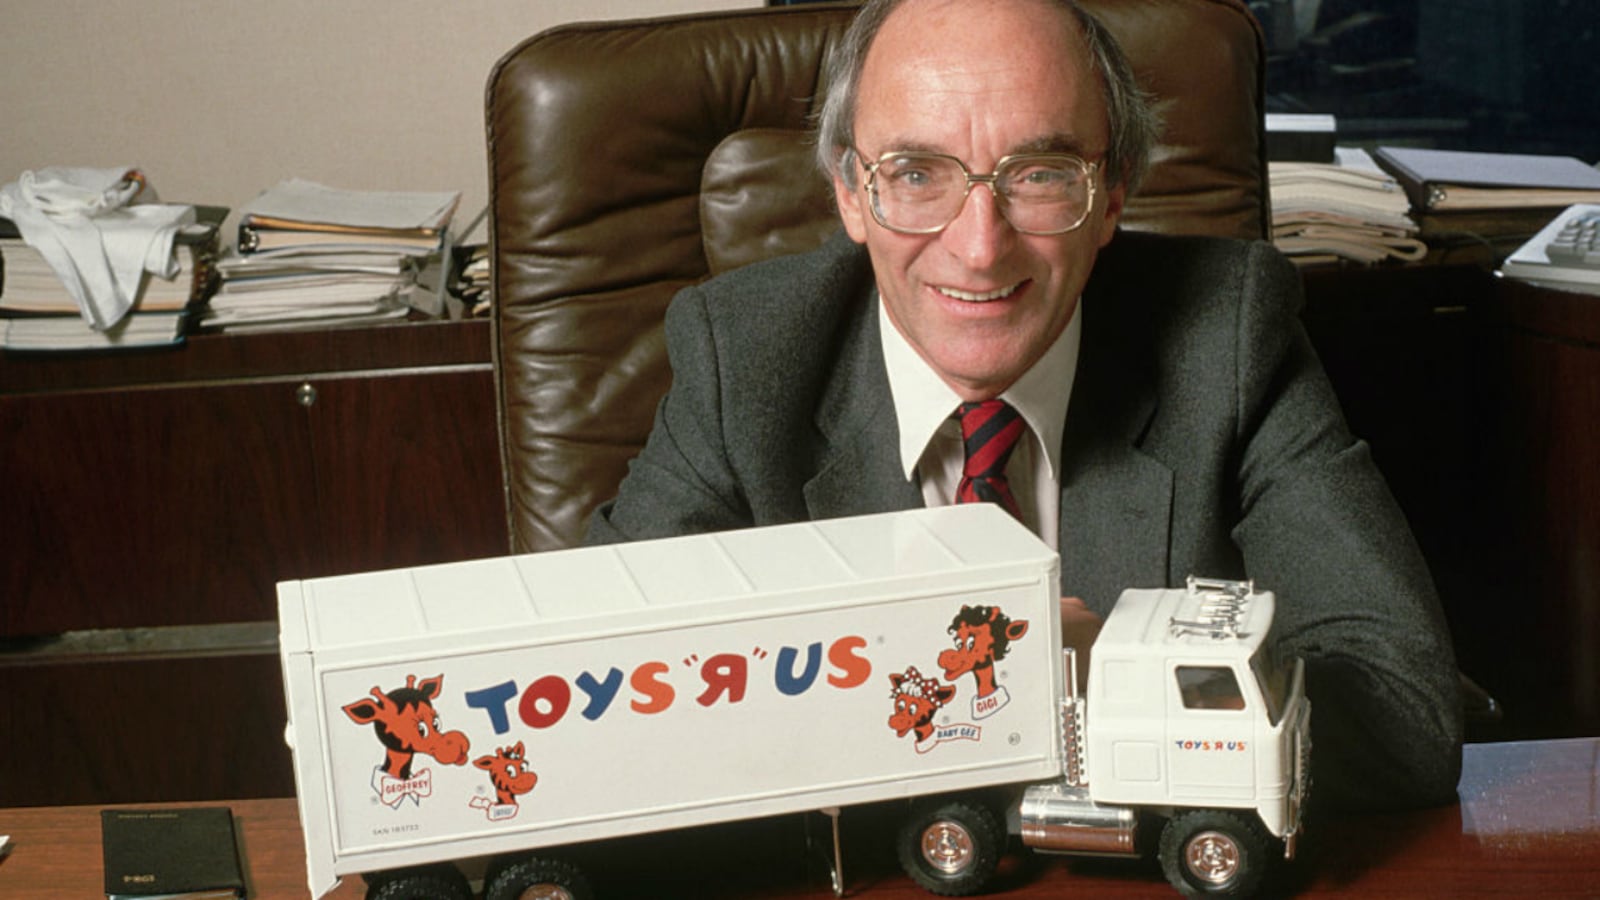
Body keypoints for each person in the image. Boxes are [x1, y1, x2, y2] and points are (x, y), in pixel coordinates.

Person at [586, 0, 1462, 811]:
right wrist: (989, 678)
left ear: (1111, 194)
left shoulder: (1226, 333)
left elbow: (1405, 708)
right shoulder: (744, 359)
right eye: (916, 173)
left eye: (1040, 174)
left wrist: (1097, 683)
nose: (979, 247)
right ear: (851, 192)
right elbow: (596, 699)